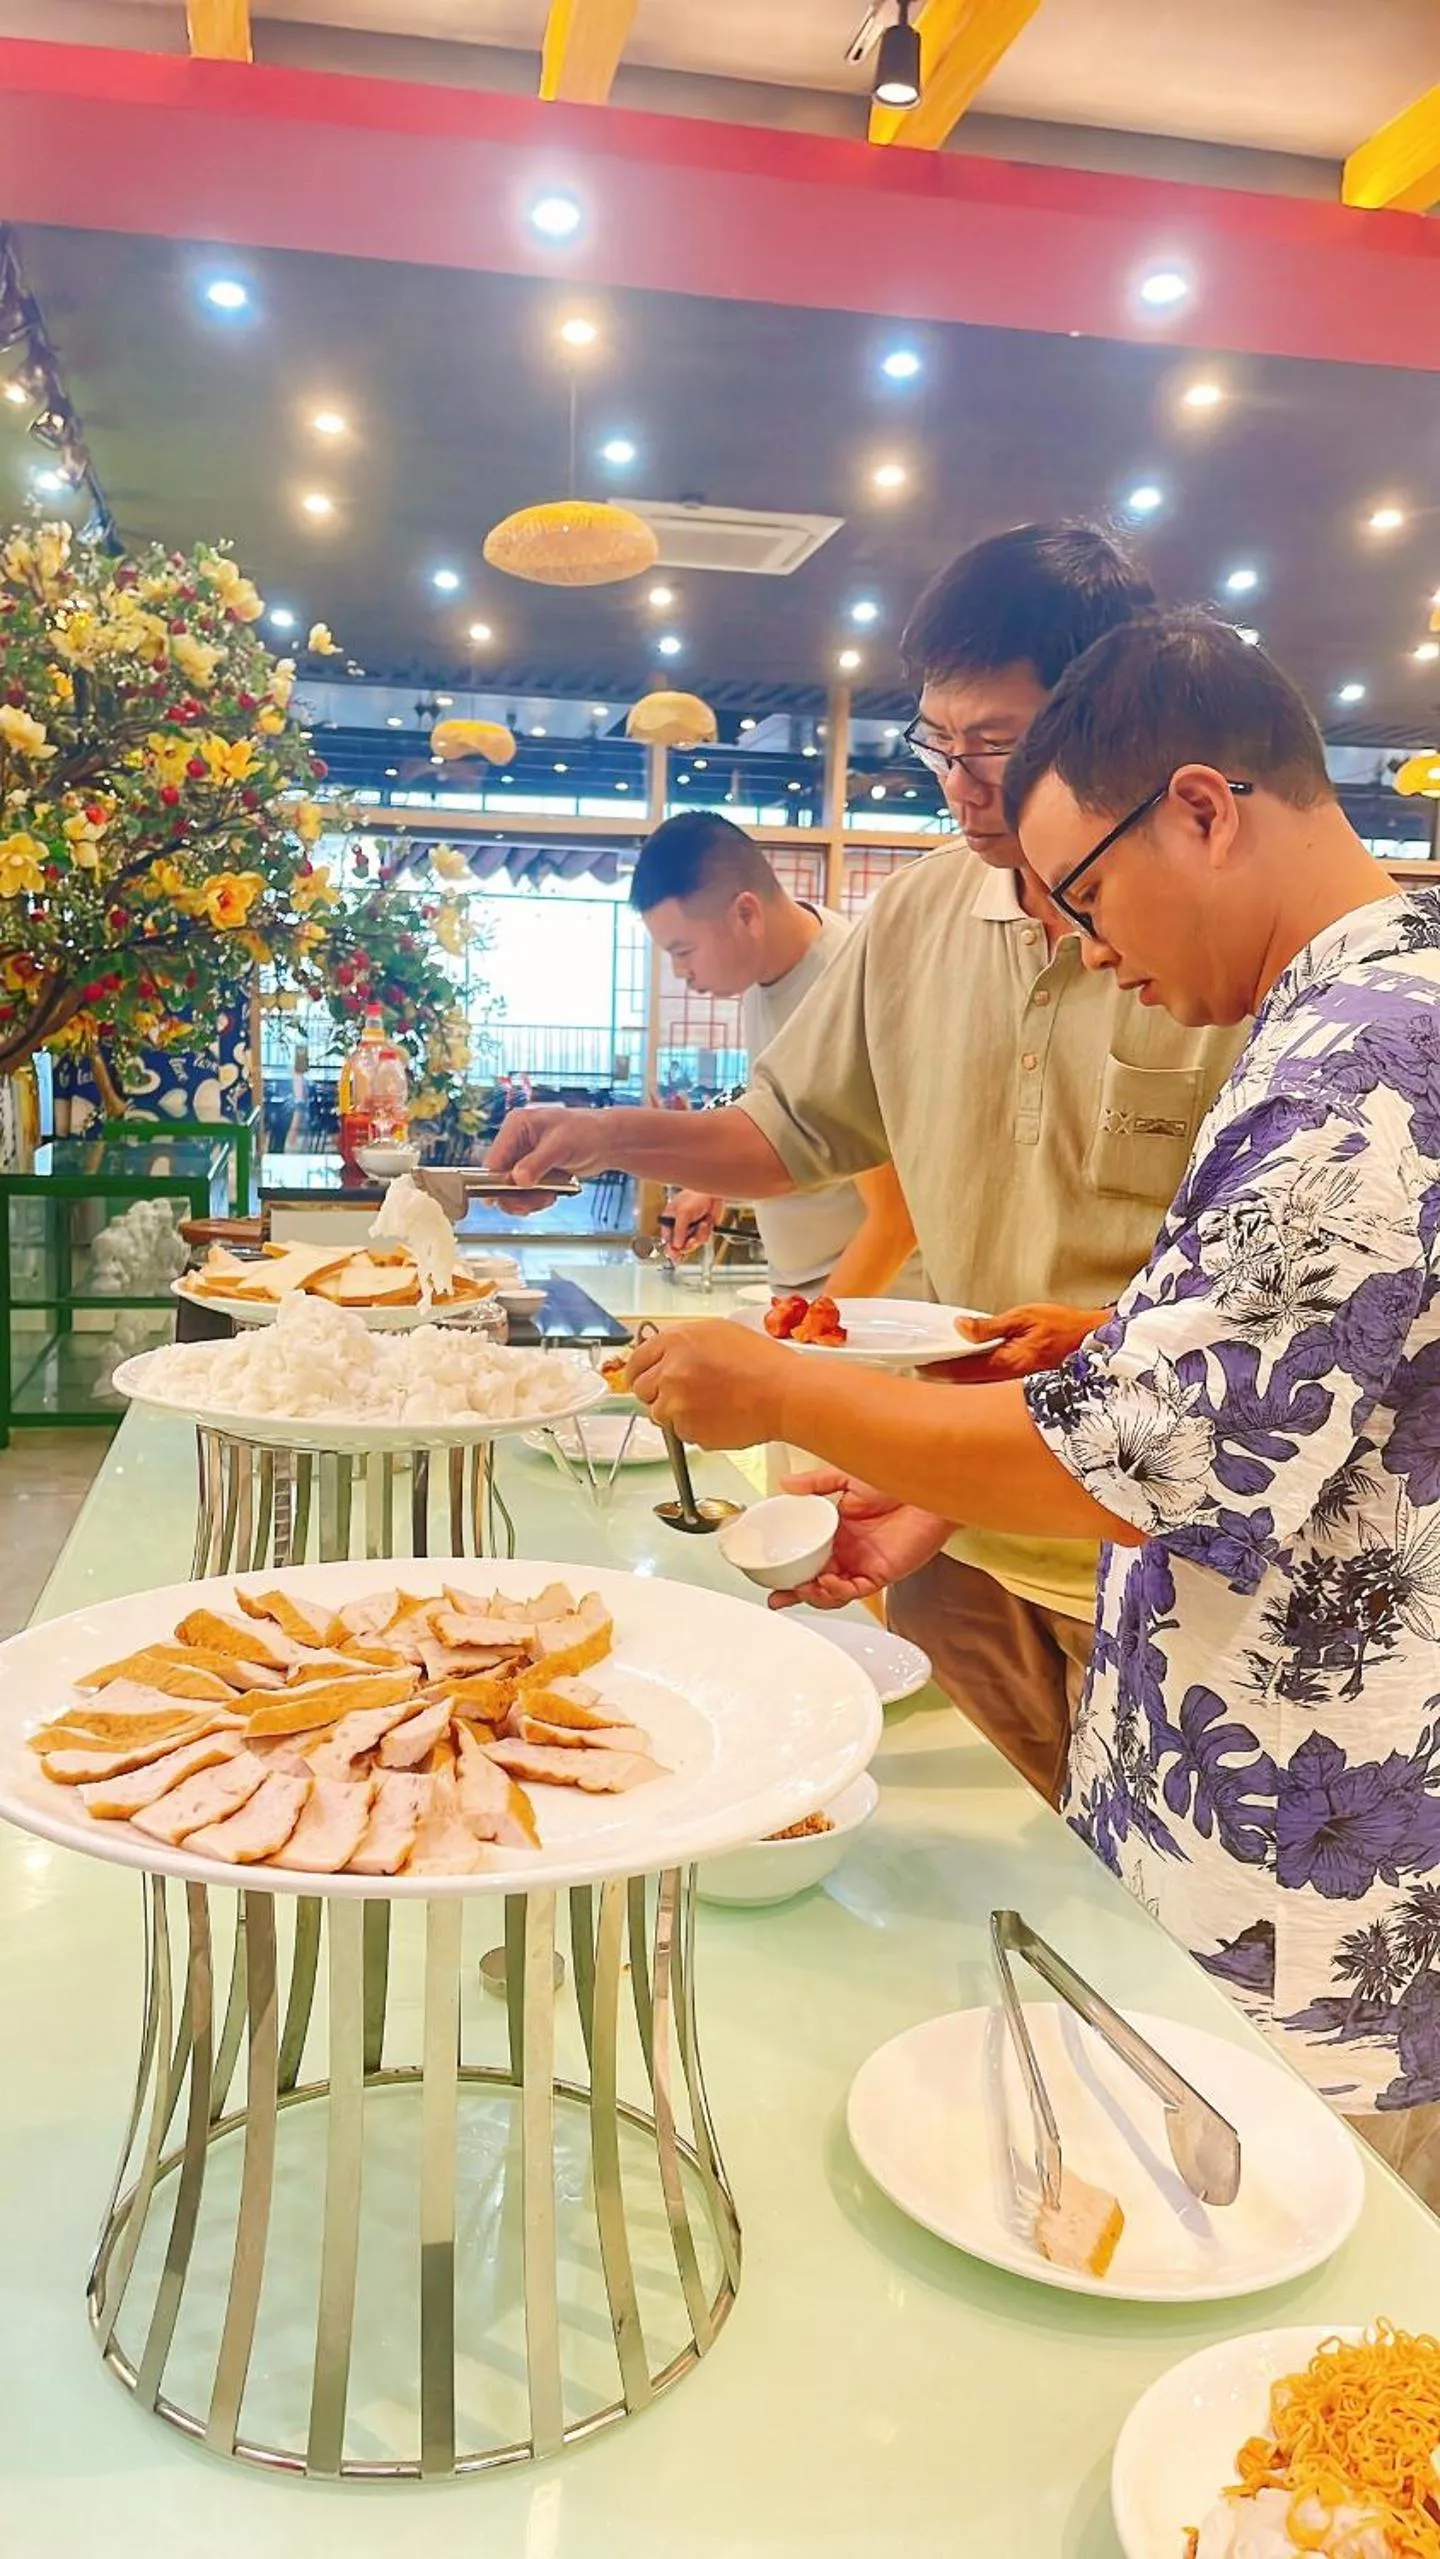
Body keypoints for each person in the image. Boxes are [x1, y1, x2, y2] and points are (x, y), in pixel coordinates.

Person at [628, 609, 1440, 2180]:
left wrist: (783, 1386)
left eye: (1085, 893)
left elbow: (1150, 1466)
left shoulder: (1371, 1058)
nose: (1078, 942)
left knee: (1291, 2338)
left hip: (1308, 1902)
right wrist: (1100, 1342)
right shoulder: (1331, 1024)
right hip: (1221, 1841)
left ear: (1203, 806)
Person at [482, 525, 1244, 1802]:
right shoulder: (920, 916)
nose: (964, 782)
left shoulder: (1240, 955)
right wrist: (602, 1134)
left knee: (1152, 1921)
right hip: (943, 1506)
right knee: (983, 1867)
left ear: (1115, 712)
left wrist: (787, 1388)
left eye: (997, 743)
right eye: (938, 744)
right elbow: (788, 1136)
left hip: (1167, 1545)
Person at [630, 811, 921, 1298]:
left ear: (746, 914)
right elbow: (790, 1116)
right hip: (808, 1285)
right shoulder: (765, 971)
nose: (680, 971)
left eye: (684, 950)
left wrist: (809, 1335)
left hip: (872, 1300)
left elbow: (896, 1221)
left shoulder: (843, 987)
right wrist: (715, 1185)